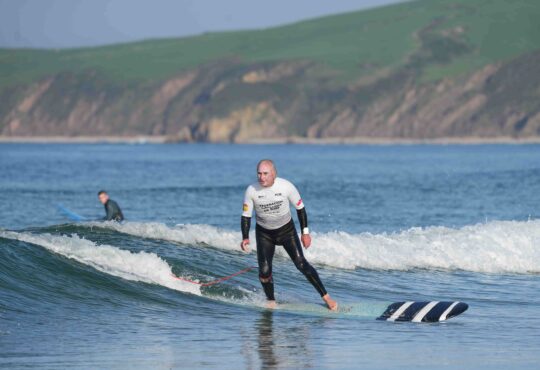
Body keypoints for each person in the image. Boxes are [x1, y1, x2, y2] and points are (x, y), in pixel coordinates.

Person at [240, 159, 338, 310]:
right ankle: (271, 300)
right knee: (264, 272)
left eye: (265, 173)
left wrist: (305, 233)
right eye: (259, 173)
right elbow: (246, 215)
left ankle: (326, 297)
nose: (262, 177)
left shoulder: (286, 186)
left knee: (301, 264)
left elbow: (300, 208)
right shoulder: (251, 190)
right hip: (264, 234)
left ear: (273, 174)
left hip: (286, 231)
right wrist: (245, 237)